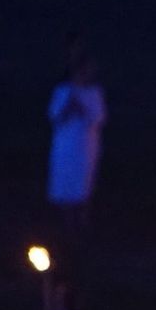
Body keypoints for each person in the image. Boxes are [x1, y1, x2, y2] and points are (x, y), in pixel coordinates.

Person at [46, 53, 107, 232]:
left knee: (83, 183)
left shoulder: (94, 92)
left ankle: (82, 223)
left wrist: (82, 108)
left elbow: (99, 118)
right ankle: (63, 224)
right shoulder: (62, 90)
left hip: (86, 146)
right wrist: (68, 107)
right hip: (64, 145)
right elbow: (53, 116)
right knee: (63, 182)